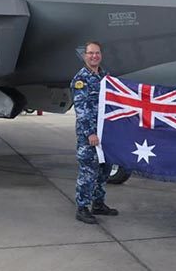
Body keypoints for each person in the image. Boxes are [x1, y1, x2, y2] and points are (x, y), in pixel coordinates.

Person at [70, 41, 119, 224]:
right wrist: (90, 133)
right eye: (90, 53)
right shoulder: (81, 80)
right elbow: (82, 111)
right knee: (88, 171)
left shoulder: (105, 76)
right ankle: (82, 207)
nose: (94, 56)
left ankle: (98, 204)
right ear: (85, 56)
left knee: (103, 170)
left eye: (97, 53)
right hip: (89, 136)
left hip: (105, 134)